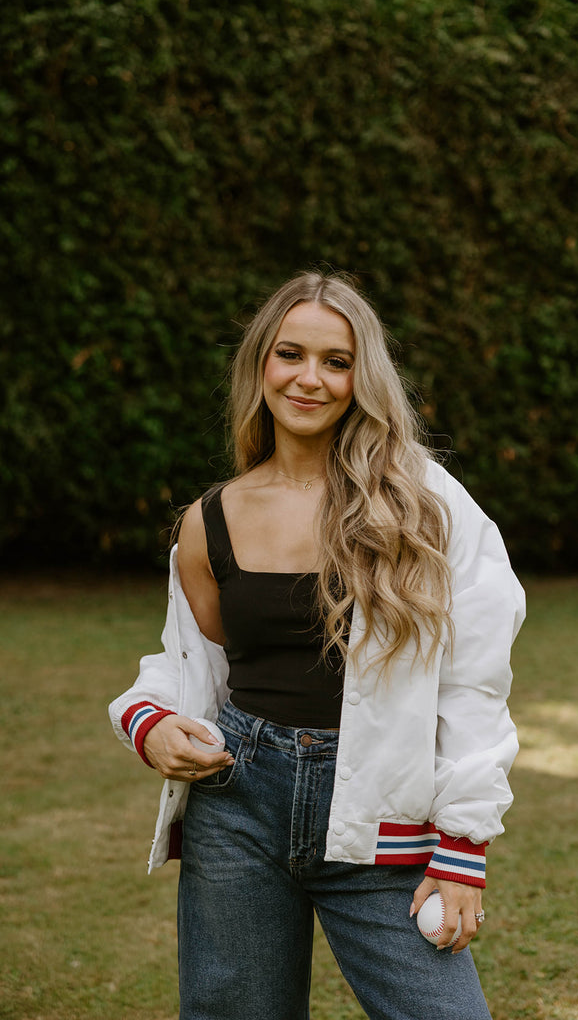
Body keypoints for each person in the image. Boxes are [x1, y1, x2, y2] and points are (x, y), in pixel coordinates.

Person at [109, 271, 525, 1020]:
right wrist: (155, 724)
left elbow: (474, 681)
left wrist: (461, 848)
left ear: (362, 377)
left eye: (335, 361)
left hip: (381, 817)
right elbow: (189, 670)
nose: (309, 379)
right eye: (289, 354)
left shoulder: (426, 505)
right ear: (259, 366)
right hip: (236, 809)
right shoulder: (212, 519)